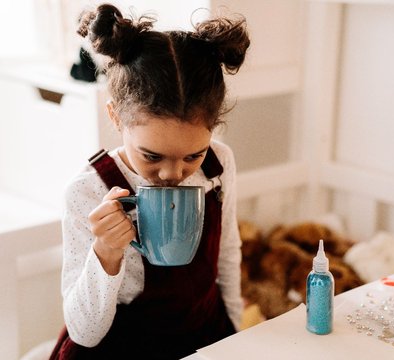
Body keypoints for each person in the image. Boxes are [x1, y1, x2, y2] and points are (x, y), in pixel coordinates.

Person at [49, 3, 250, 359]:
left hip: (202, 336)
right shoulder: (87, 191)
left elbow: (228, 255)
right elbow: (85, 333)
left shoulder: (220, 165)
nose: (173, 174)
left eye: (193, 155)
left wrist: (234, 338)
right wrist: (106, 253)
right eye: (152, 156)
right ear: (115, 115)